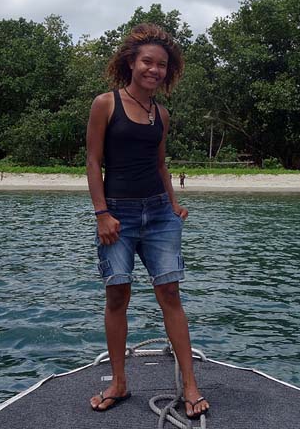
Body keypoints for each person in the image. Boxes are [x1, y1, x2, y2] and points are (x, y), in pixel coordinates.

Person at [85, 23, 209, 419]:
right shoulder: (105, 104)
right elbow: (92, 162)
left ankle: (190, 385)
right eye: (147, 62)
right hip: (116, 214)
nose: (154, 70)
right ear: (131, 63)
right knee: (117, 295)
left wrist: (173, 205)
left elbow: (160, 164)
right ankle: (119, 382)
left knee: (170, 294)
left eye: (161, 65)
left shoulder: (162, 114)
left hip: (158, 213)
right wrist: (102, 213)